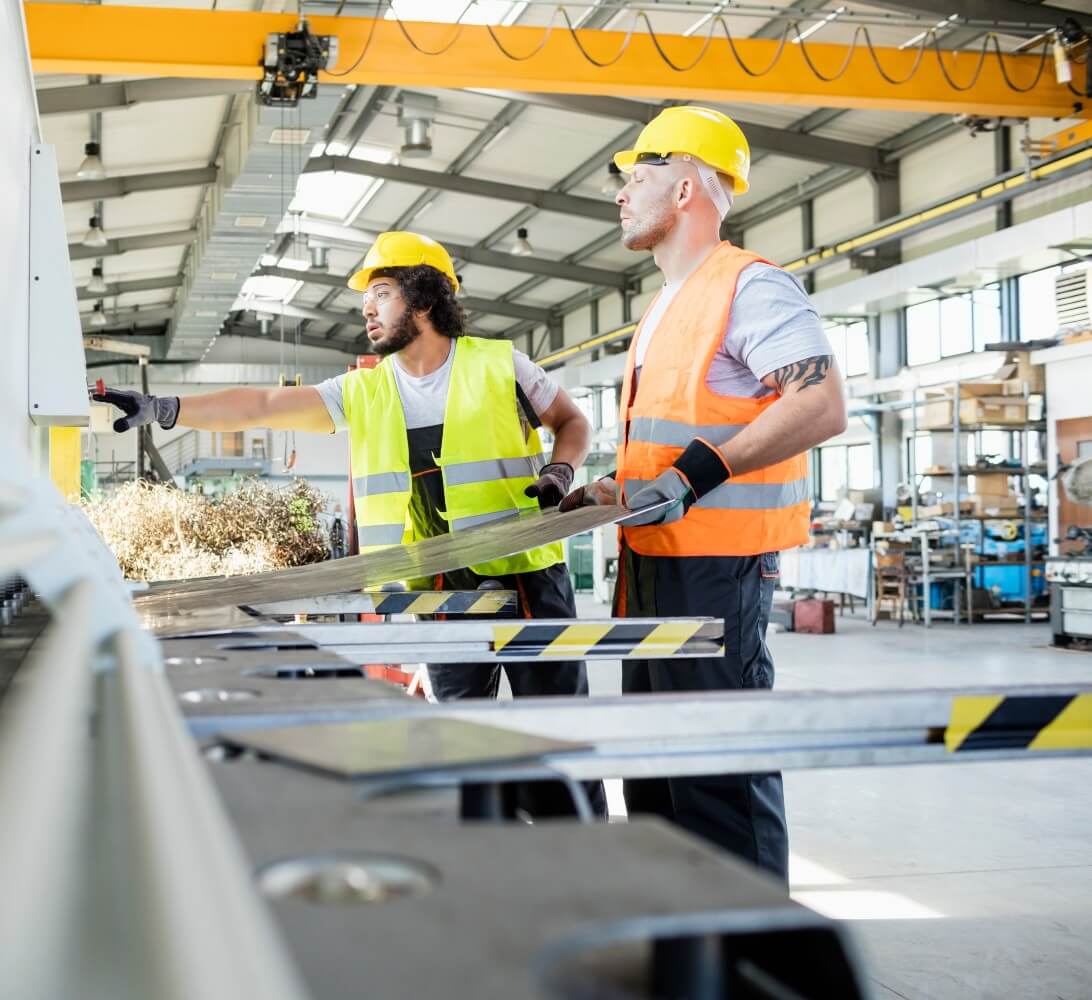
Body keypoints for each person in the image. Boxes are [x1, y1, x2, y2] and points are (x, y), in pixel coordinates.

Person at [94, 230, 605, 819]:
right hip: (437, 592)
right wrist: (166, 409)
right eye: (366, 297)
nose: (366, 307)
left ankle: (582, 848)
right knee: (462, 744)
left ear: (424, 299)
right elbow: (262, 407)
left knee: (557, 739)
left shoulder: (500, 364)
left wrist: (562, 471)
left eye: (381, 292)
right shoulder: (364, 390)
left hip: (526, 580)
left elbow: (572, 420)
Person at [561, 107, 848, 879]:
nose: (622, 195)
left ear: (686, 185)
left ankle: (753, 959)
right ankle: (682, 948)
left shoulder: (748, 286)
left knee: (719, 774)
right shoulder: (660, 307)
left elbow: (819, 404)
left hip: (717, 572)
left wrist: (698, 473)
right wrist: (610, 489)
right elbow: (667, 444)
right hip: (649, 566)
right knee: (656, 775)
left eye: (638, 178)